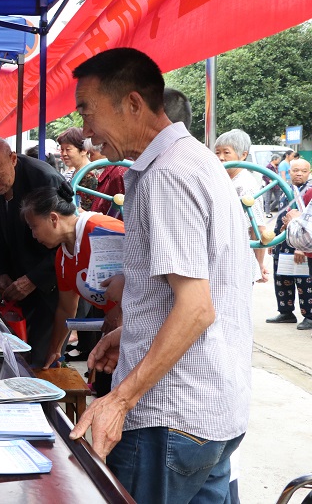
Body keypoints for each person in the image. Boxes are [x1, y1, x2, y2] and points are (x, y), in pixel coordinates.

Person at [68, 47, 252, 504]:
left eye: (88, 113)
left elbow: (196, 308)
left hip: (169, 417)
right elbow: (203, 291)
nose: (87, 133)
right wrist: (132, 330)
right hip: (210, 413)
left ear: (132, 103)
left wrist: (119, 400)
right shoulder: (195, 161)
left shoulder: (167, 175)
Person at [0, 136, 68, 366]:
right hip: (17, 278)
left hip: (51, 281)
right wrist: (1, 271)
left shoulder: (44, 180)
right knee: (13, 355)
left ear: (13, 159)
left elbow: (67, 240)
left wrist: (33, 279)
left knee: (42, 361)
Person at [20, 185, 124, 393]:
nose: (33, 235)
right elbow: (66, 308)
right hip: (115, 337)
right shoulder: (62, 258)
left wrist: (120, 308)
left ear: (53, 219)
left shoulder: (100, 228)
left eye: (34, 226)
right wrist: (55, 350)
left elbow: (147, 269)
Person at [214, 129, 269, 283]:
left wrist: (258, 265)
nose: (221, 158)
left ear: (243, 155)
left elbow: (258, 229)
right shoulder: (223, 179)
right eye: (217, 153)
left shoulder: (245, 185)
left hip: (238, 258)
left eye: (226, 152)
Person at [268, 158, 312, 330]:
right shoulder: (285, 188)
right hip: (283, 241)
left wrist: (301, 247)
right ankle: (286, 312)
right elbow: (280, 215)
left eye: (303, 171)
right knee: (282, 278)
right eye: (295, 170)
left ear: (309, 173)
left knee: (304, 281)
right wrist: (274, 239)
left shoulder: (309, 192)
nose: (299, 173)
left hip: (300, 242)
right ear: (289, 171)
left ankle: (309, 315)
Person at [57, 127, 97, 211]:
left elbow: (87, 209)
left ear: (84, 150)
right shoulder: (77, 171)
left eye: (68, 149)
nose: (63, 154)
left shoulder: (90, 175)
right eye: (62, 149)